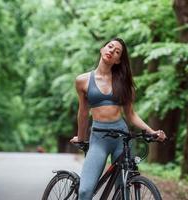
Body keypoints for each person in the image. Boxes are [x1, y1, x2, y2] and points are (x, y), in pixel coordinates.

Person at [70, 38, 167, 200]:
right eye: (110, 47)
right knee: (85, 191)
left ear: (118, 60)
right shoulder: (83, 81)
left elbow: (131, 115)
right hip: (99, 139)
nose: (111, 51)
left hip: (122, 139)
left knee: (123, 190)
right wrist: (81, 138)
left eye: (117, 52)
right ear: (102, 49)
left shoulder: (124, 83)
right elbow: (83, 113)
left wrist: (152, 131)